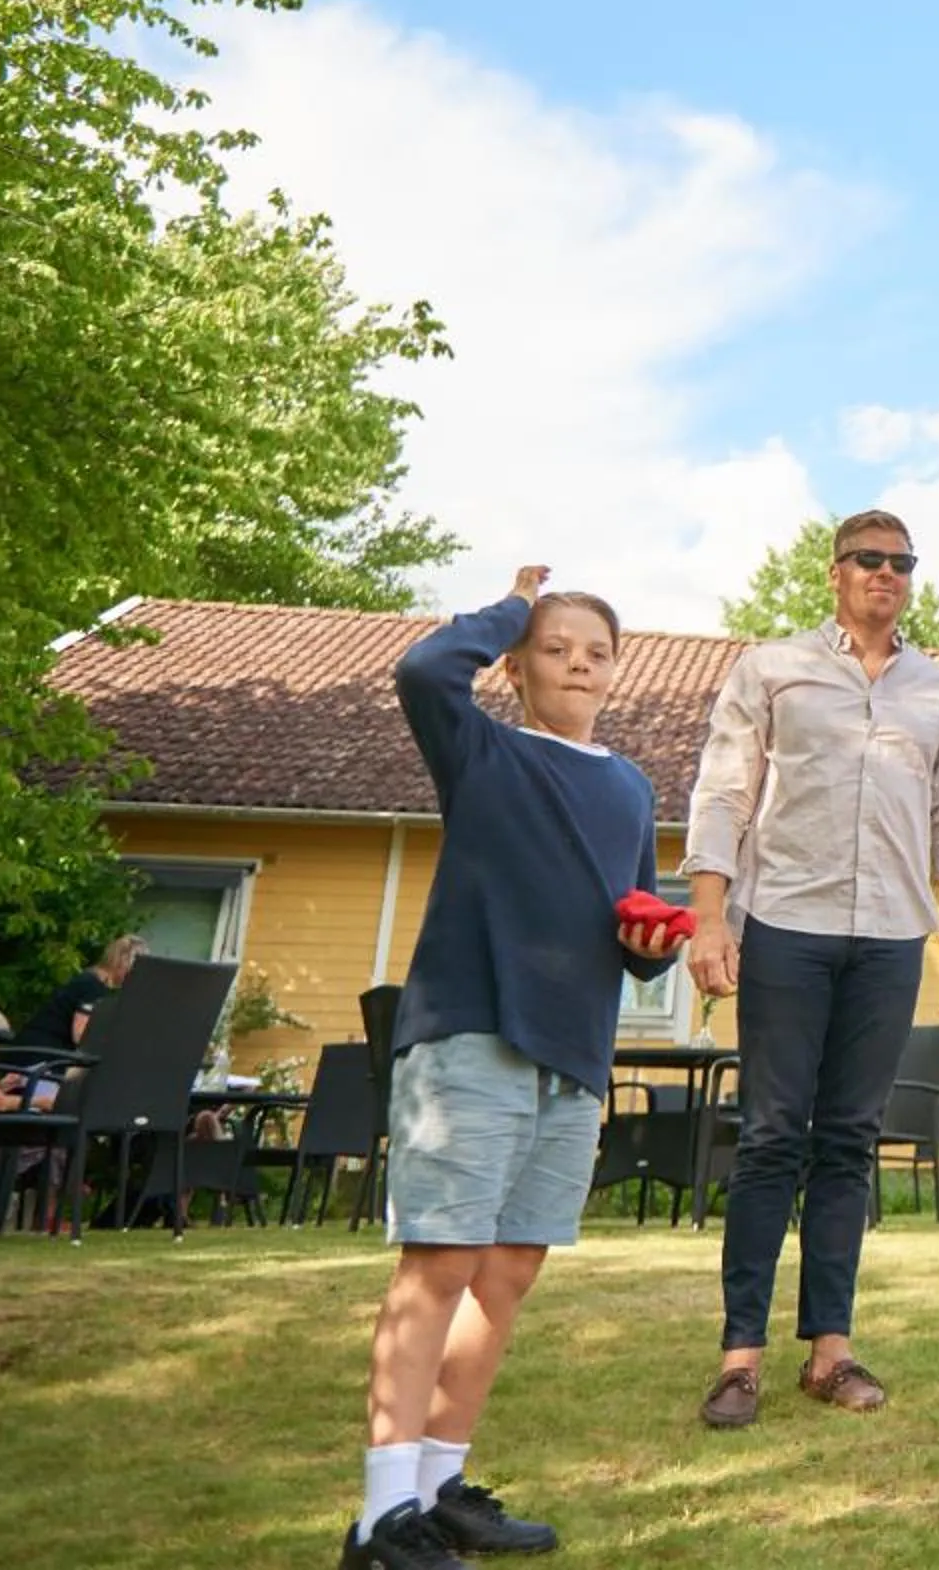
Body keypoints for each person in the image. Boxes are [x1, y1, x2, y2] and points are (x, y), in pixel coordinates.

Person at [346, 568, 684, 1570]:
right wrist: (504, 610)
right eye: (554, 644)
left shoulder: (631, 786)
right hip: (471, 1033)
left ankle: (439, 1488)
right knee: (441, 1263)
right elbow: (421, 667)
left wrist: (650, 947)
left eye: (595, 649)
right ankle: (377, 1523)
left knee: (505, 1273)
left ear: (615, 671)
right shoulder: (480, 746)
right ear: (519, 664)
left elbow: (633, 914)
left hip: (572, 1054)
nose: (577, 660)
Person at [682, 509, 939, 1431]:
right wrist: (709, 916)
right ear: (836, 572)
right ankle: (741, 1358)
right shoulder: (772, 669)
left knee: (850, 1140)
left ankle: (830, 1351)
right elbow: (724, 791)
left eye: (902, 562)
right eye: (870, 559)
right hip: (785, 920)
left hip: (893, 935)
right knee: (775, 1133)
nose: (886, 573)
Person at [13, 933, 145, 1055]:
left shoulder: (91, 981)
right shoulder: (93, 987)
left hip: (37, 1047)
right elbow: (80, 1035)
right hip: (43, 1052)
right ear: (122, 962)